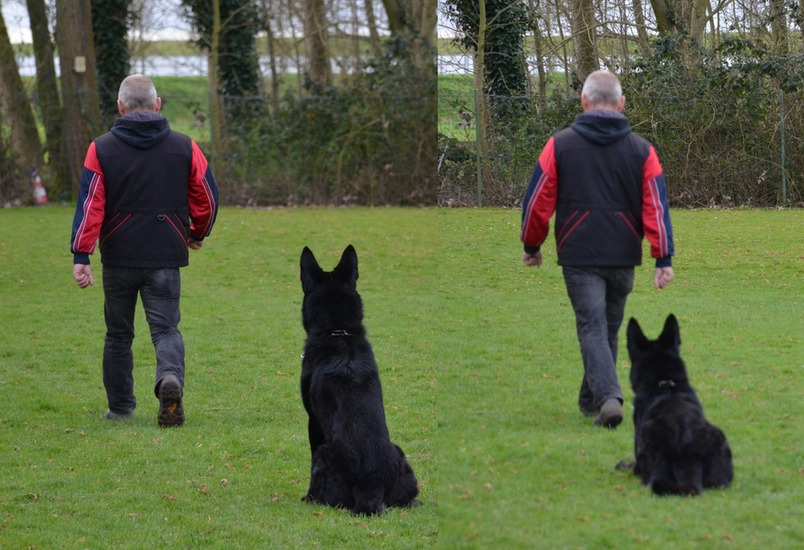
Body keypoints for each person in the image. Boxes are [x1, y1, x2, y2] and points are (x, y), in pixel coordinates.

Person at [520, 70, 674, 429]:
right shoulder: (643, 150)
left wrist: (532, 244)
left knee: (593, 327)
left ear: (584, 101)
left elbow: (537, 202)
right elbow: (656, 205)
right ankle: (591, 401)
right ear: (621, 104)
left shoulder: (558, 145)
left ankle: (608, 398)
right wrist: (662, 257)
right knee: (605, 328)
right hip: (623, 252)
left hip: (580, 252)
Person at [70, 74, 219, 427]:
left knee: (119, 334)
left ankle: (120, 408)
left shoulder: (100, 148)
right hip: (165, 255)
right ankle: (169, 379)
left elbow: (91, 204)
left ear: (120, 107)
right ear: (158, 105)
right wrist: (198, 232)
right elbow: (207, 198)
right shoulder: (185, 145)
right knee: (166, 330)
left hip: (119, 256)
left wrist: (82, 254)